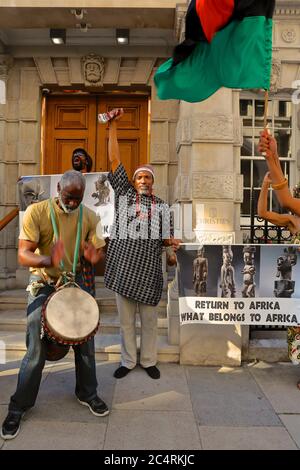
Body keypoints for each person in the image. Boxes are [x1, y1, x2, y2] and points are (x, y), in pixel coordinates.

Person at [1, 170, 109, 441]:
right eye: (68, 197)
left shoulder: (90, 216)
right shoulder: (37, 211)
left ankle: (88, 393)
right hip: (44, 282)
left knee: (86, 335)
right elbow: (24, 255)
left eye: (77, 199)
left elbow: (99, 254)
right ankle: (19, 406)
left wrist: (94, 255)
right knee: (35, 344)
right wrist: (48, 259)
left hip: (73, 282)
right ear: (58, 187)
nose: (72, 203)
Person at [104, 108, 181, 380]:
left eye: (148, 177)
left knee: (149, 322)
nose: (144, 180)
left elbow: (166, 241)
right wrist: (112, 127)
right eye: (140, 177)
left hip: (149, 271)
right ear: (133, 182)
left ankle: (148, 361)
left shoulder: (161, 207)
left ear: (153, 183)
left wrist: (172, 253)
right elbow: (114, 159)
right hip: (124, 268)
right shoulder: (123, 194)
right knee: (126, 323)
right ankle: (127, 361)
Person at [258, 132, 300, 388]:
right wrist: (272, 158)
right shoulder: (294, 220)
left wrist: (273, 157)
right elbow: (267, 210)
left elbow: (285, 197)